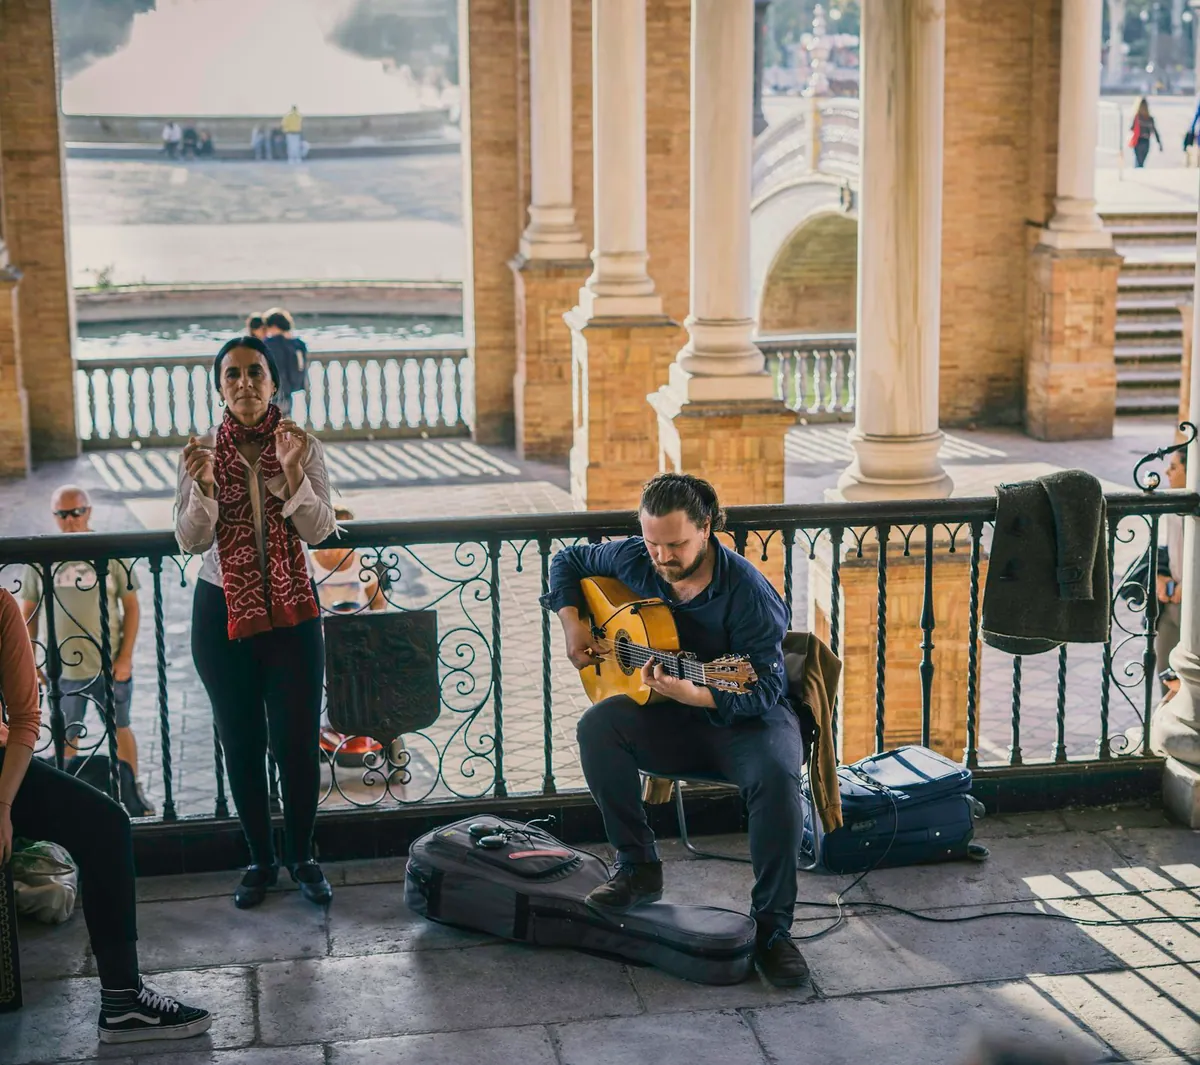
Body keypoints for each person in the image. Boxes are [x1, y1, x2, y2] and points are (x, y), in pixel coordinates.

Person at [539, 472, 810, 988]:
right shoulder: (636, 559)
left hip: (745, 718)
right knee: (599, 727)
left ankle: (773, 931)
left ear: (706, 528)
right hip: (671, 715)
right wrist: (573, 623)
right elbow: (567, 560)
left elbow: (763, 690)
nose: (661, 557)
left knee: (777, 777)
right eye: (652, 542)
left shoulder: (749, 592)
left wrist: (698, 692)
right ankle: (638, 866)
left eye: (676, 544)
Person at [0, 589, 212, 1043]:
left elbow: (24, 719)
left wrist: (3, 807)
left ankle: (122, 999)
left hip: (1, 767)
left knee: (106, 823)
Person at [176, 336, 336, 910]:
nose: (244, 383)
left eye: (254, 373)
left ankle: (303, 856)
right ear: (220, 387)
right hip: (221, 609)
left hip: (293, 610)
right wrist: (205, 489)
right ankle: (260, 859)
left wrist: (293, 475)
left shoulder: (302, 444)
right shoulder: (199, 453)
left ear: (274, 383)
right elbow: (191, 539)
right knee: (240, 740)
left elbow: (319, 533)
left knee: (295, 742)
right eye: (232, 375)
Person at [18, 486, 154, 815]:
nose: (70, 520)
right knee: (66, 734)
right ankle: (70, 800)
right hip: (63, 669)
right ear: (54, 517)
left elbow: (131, 606)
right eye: (63, 514)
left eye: (76, 512)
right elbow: (29, 612)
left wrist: (125, 658)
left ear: (88, 511)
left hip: (108, 665)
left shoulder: (107, 551)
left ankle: (131, 791)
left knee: (120, 727)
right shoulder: (43, 557)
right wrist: (32, 659)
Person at [312, 506, 391, 767]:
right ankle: (329, 726)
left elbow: (378, 602)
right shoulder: (311, 564)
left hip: (359, 636)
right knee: (322, 672)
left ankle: (367, 724)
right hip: (324, 636)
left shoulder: (362, 563)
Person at [1156, 446, 1187, 694]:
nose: (1167, 471)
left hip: (1194, 607)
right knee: (1166, 678)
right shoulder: (1173, 507)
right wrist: (1160, 575)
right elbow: (1168, 549)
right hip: (1173, 604)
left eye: (1175, 466)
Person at [262, 308, 308, 417]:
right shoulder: (297, 344)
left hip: (272, 387)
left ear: (273, 326)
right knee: (285, 419)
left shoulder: (269, 343)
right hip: (288, 387)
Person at [1130, 98, 1163, 168]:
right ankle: (1139, 174)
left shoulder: (1137, 117)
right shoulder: (1150, 119)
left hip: (1138, 141)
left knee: (1138, 161)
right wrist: (1159, 143)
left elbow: (1131, 128)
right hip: (1146, 142)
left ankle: (1137, 175)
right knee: (1141, 162)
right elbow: (1155, 131)